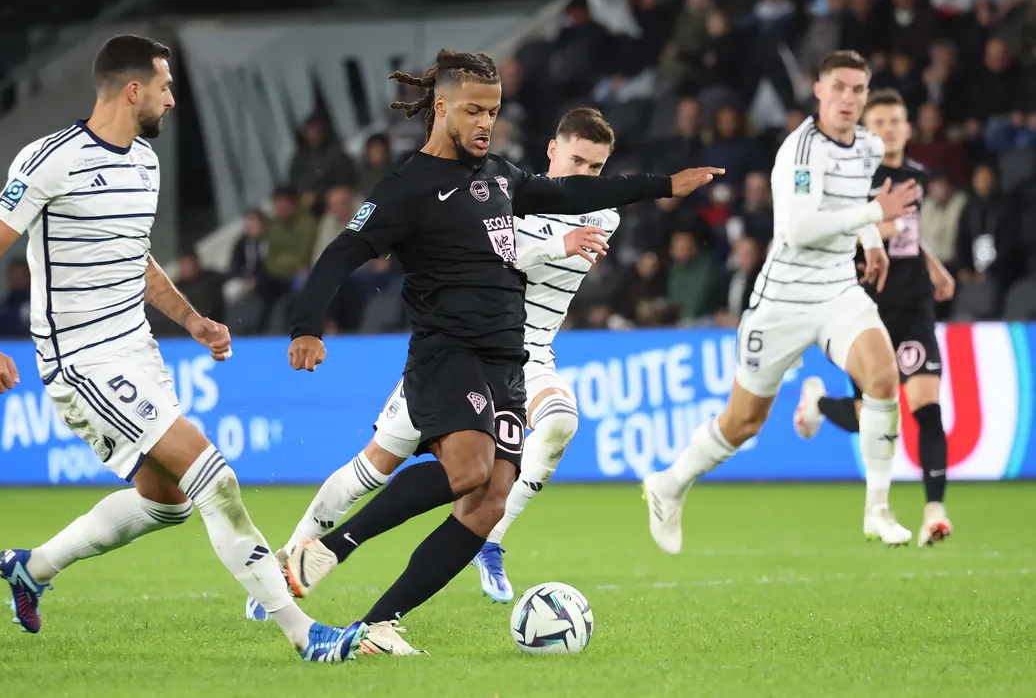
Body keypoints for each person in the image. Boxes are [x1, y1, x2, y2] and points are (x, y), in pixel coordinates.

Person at [280, 49, 720, 655]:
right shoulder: (407, 186)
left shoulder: (502, 178)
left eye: (493, 110)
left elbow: (574, 192)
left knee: (487, 503)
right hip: (446, 352)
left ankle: (378, 625)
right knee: (460, 471)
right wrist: (307, 326)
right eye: (473, 110)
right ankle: (326, 547)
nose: (486, 122)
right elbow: (342, 252)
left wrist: (665, 185)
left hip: (508, 363)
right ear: (441, 108)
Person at [0, 34, 364, 662]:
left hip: (138, 351)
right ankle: (304, 634)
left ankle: (31, 568)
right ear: (133, 90)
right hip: (82, 360)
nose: (173, 99)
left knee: (167, 502)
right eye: (165, 86)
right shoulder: (49, 160)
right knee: (215, 479)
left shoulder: (145, 163)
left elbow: (136, 259)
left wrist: (193, 320)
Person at [242, 107, 621, 622]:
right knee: (371, 469)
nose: (585, 176)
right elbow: (491, 252)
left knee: (558, 423)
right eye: (577, 161)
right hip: (461, 348)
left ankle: (492, 538)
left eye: (596, 168)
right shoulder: (505, 195)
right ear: (552, 150)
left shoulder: (604, 216)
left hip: (529, 355)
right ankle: (290, 559)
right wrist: (557, 243)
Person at [642, 50, 922, 554]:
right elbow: (799, 229)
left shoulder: (867, 146)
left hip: (839, 290)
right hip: (783, 302)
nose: (848, 98)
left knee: (883, 377)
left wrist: (873, 243)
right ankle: (669, 484)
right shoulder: (800, 149)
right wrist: (873, 215)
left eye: (857, 89)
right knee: (743, 422)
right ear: (819, 90)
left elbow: (852, 205)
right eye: (838, 87)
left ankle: (879, 510)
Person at [793, 88, 956, 547]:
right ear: (868, 130)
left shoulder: (916, 175)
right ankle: (819, 404)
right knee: (872, 415)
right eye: (879, 123)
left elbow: (910, 234)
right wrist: (879, 227)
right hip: (866, 310)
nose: (888, 130)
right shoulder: (853, 177)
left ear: (908, 128)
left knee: (927, 409)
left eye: (895, 121)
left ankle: (935, 513)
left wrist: (933, 266)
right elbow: (835, 234)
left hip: (915, 307)